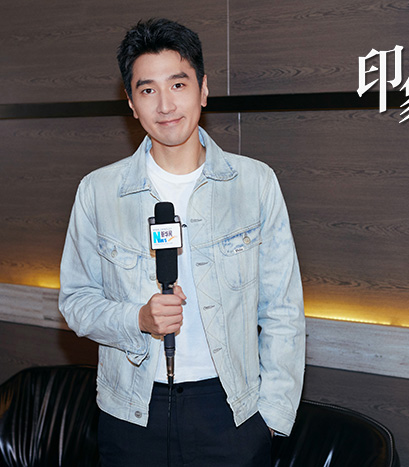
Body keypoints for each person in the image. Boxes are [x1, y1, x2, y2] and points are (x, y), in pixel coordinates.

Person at [59, 18, 305, 467]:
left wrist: (271, 417)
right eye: (148, 90)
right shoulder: (98, 192)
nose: (166, 104)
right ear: (131, 103)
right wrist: (137, 318)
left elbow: (283, 310)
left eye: (178, 84)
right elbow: (76, 301)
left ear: (203, 90)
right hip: (132, 412)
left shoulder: (254, 183)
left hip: (230, 410)